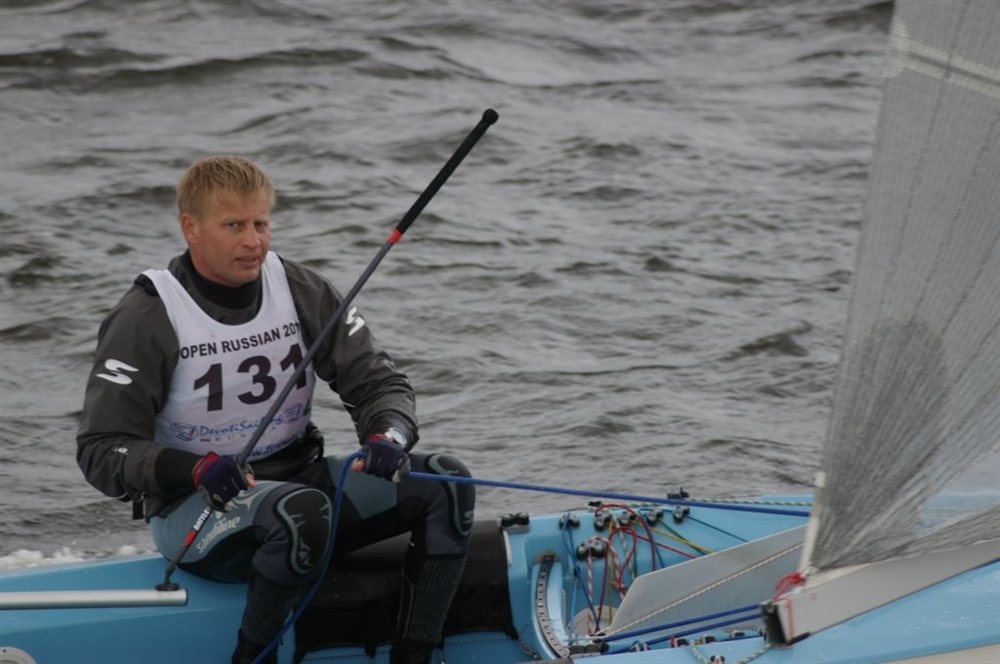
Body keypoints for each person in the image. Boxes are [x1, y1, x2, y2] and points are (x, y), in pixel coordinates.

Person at [77, 155, 475, 664]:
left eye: (261, 224)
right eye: (234, 226)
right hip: (198, 510)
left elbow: (379, 382)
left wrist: (387, 436)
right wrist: (193, 469)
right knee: (298, 512)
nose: (254, 241)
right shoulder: (147, 316)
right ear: (191, 228)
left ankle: (416, 655)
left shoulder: (300, 288)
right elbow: (101, 450)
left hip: (303, 487)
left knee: (446, 482)